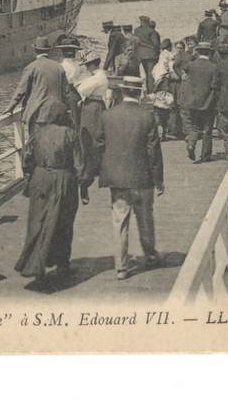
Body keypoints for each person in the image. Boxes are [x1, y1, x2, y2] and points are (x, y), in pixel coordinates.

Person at [97, 75, 165, 279]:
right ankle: (150, 255)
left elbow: (99, 145)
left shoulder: (108, 115)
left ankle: (121, 267)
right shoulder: (147, 116)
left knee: (119, 221)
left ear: (122, 91)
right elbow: (154, 151)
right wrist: (158, 179)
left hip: (117, 179)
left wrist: (106, 169)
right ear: (139, 92)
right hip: (142, 178)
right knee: (145, 218)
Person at [14, 101, 82, 280]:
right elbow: (79, 165)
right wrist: (83, 186)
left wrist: (32, 175)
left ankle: (36, 265)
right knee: (64, 223)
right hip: (63, 179)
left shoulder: (36, 134)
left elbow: (26, 161)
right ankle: (62, 264)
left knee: (38, 221)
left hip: (40, 179)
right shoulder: (70, 134)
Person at [6, 36, 72, 136]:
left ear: (35, 50)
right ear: (48, 50)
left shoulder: (31, 67)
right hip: (58, 113)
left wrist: (10, 107)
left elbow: (21, 91)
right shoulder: (59, 67)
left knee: (36, 144)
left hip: (38, 115)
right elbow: (67, 93)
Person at [179, 41, 220, 163]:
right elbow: (215, 86)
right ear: (210, 53)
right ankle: (205, 155)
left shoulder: (191, 65)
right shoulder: (214, 67)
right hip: (208, 102)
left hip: (193, 102)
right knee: (207, 130)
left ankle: (191, 144)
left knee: (195, 127)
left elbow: (183, 69)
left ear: (198, 52)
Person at [75, 50, 107, 205]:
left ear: (93, 64)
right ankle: (93, 169)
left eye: (87, 65)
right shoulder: (100, 76)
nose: (86, 68)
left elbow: (81, 90)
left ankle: (85, 176)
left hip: (92, 107)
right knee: (96, 137)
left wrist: (81, 83)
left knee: (89, 138)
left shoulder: (98, 77)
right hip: (96, 105)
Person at [151, 38, 182, 140]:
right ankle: (164, 132)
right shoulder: (169, 57)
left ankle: (160, 133)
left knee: (158, 111)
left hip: (158, 86)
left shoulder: (157, 65)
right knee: (165, 111)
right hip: (166, 86)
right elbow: (172, 69)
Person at [133, 16, 160, 94]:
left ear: (141, 21)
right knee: (150, 75)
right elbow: (156, 44)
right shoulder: (152, 31)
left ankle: (140, 92)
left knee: (142, 75)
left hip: (140, 55)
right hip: (151, 56)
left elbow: (135, 43)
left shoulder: (136, 30)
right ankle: (151, 93)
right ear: (147, 22)